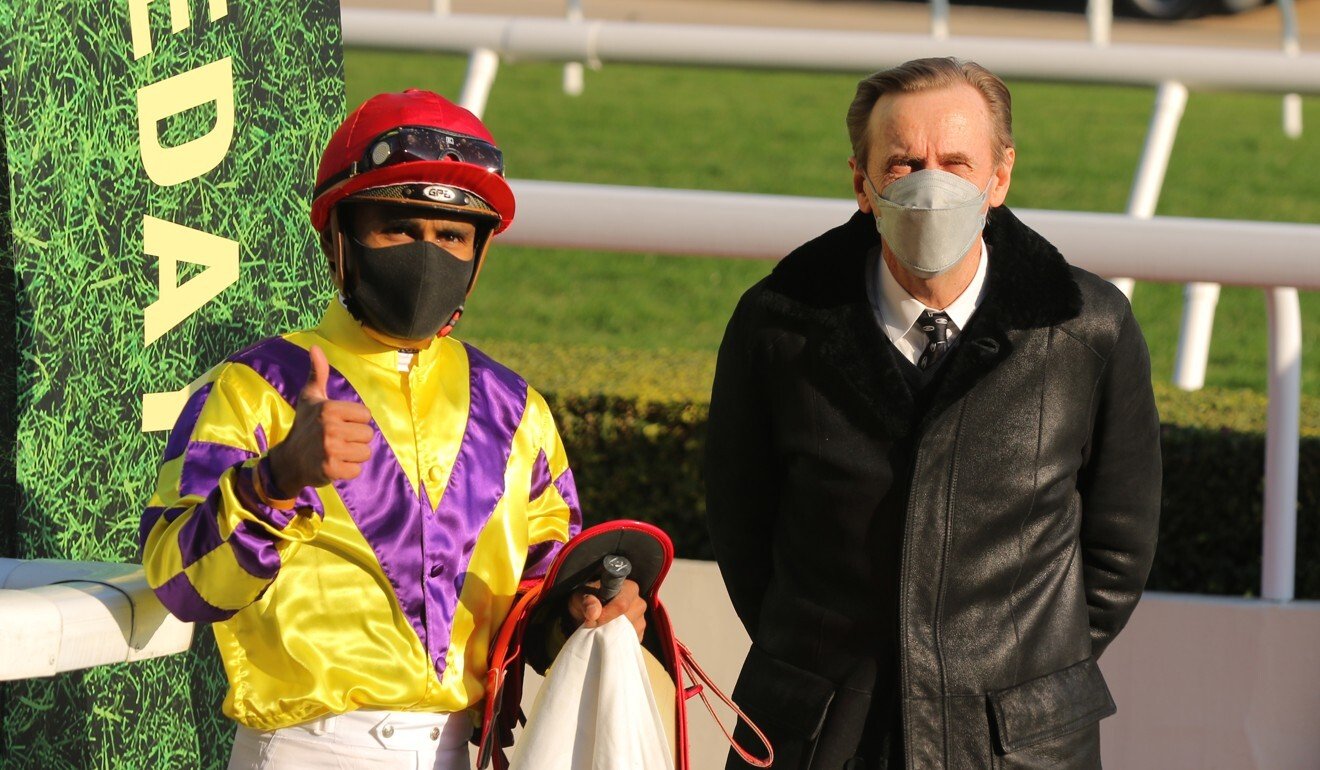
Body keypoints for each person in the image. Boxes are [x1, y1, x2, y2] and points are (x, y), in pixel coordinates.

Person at [139, 89, 645, 770]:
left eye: (452, 236)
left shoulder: (518, 409)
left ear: (479, 253)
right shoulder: (252, 387)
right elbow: (181, 583)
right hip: (304, 751)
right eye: (400, 228)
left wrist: (593, 610)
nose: (427, 255)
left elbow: (539, 601)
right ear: (338, 238)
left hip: (455, 750)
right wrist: (274, 481)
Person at [705, 58, 1160, 769]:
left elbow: (1119, 547)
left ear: (999, 177)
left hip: (1019, 747)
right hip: (823, 737)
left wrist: (1018, 674)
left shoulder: (1087, 329)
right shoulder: (777, 327)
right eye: (903, 163)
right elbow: (743, 526)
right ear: (861, 183)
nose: (930, 182)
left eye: (955, 162)